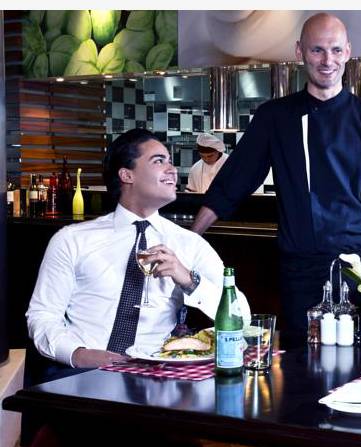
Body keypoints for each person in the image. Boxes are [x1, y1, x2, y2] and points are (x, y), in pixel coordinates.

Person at [191, 13, 361, 348]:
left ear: (348, 52)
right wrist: (189, 241)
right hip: (298, 269)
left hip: (357, 270)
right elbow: (233, 182)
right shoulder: (275, 116)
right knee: (301, 363)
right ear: (300, 52)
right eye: (317, 50)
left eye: (335, 50)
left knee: (358, 361)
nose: (327, 60)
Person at [26, 128, 250, 380]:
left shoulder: (190, 244)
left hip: (154, 378)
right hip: (81, 374)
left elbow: (242, 316)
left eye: (170, 161)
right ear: (127, 175)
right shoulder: (72, 240)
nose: (172, 170)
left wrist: (188, 280)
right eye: (159, 161)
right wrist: (78, 354)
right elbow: (43, 316)